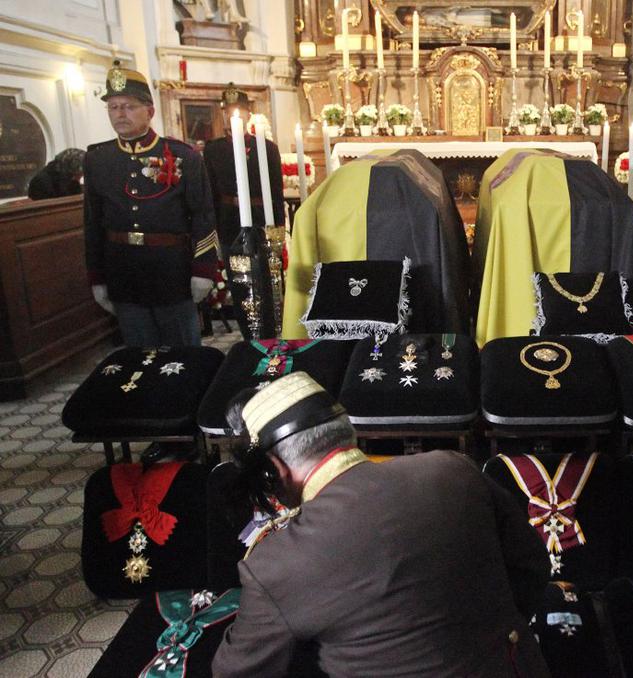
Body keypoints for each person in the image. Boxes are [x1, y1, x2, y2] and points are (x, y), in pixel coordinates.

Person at [213, 372, 551, 678]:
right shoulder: (454, 469)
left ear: (272, 470)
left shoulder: (276, 564)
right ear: (347, 430)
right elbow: (532, 567)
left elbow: (236, 672)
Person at [84, 60, 217, 347]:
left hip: (172, 272)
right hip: (123, 272)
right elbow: (92, 223)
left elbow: (203, 215)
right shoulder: (97, 159)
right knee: (139, 355)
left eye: (129, 106)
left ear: (150, 111)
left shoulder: (184, 156)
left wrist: (203, 270)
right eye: (113, 107)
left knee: (183, 355)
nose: (120, 114)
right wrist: (97, 277)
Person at [203, 83, 284, 340]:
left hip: (261, 218)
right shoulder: (214, 149)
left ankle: (272, 330)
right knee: (239, 279)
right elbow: (211, 192)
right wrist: (214, 229)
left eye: (237, 111)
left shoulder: (266, 147)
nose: (232, 116)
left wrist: (278, 227)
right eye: (227, 111)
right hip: (230, 221)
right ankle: (248, 332)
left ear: (248, 114)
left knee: (267, 276)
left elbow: (276, 189)